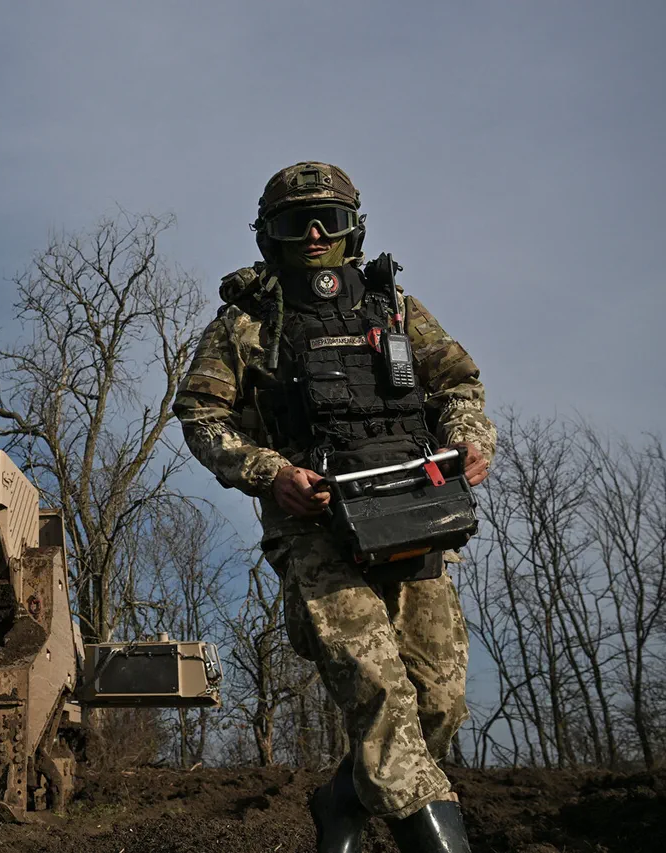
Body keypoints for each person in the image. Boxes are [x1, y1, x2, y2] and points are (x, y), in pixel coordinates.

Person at [173, 162, 494, 853]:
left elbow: (459, 385)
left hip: (412, 516)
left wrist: (471, 437)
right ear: (271, 236)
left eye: (331, 220)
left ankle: (341, 799)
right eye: (298, 223)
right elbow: (201, 416)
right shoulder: (245, 324)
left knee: (438, 704)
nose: (316, 234)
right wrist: (270, 472)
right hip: (315, 530)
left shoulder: (395, 307)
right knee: (380, 692)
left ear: (355, 229)